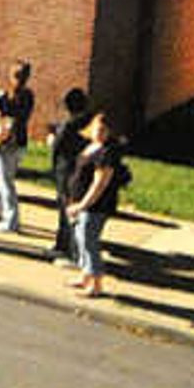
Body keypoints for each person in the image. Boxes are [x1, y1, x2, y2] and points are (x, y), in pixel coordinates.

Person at [56, 99, 125, 294]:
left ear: (110, 131)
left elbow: (99, 183)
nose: (99, 132)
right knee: (80, 238)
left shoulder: (108, 153)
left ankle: (96, 284)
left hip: (96, 205)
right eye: (97, 128)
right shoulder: (92, 145)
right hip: (80, 201)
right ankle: (85, 275)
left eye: (104, 130)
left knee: (89, 241)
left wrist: (82, 205)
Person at [0, 59, 38, 232]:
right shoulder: (29, 96)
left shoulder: (4, 97)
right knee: (5, 178)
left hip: (4, 143)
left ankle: (12, 220)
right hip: (20, 142)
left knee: (6, 182)